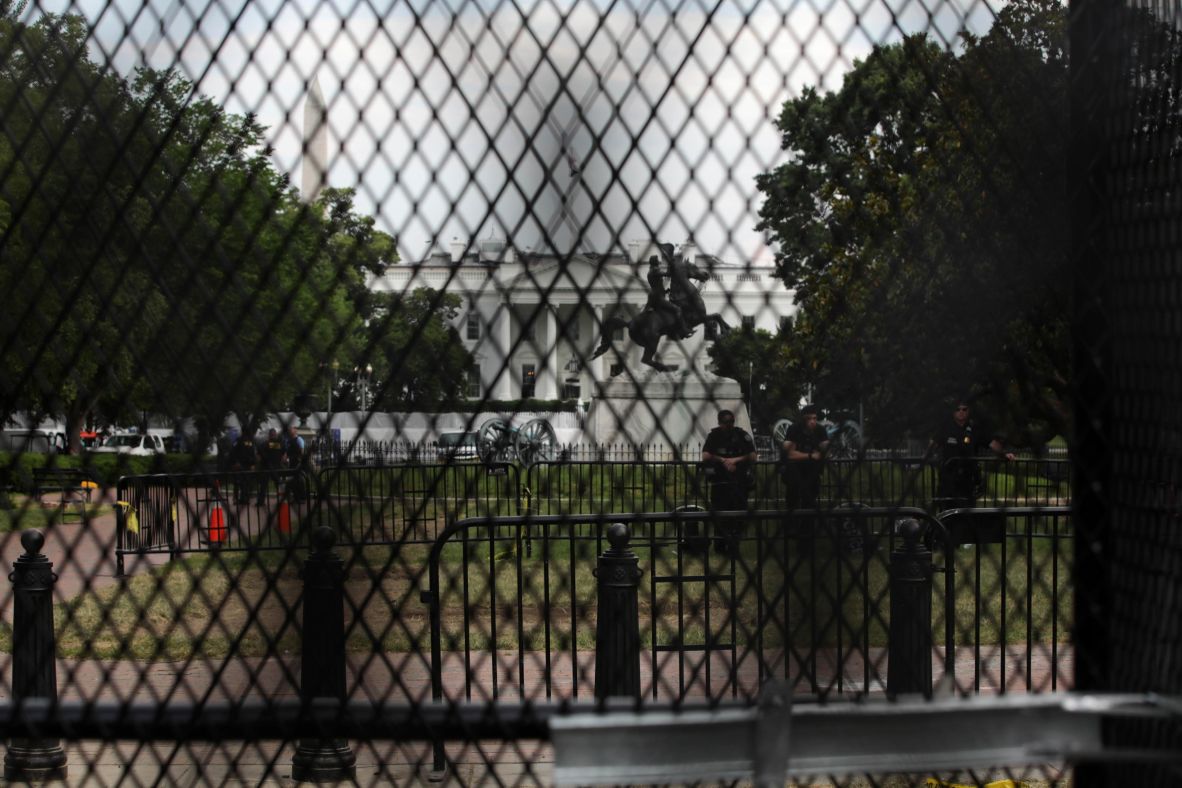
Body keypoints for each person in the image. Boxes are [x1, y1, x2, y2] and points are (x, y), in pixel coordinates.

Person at [930, 398, 1015, 507]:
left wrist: (1004, 453)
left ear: (968, 411)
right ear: (953, 412)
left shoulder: (975, 429)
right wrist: (927, 456)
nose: (961, 412)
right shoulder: (945, 428)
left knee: (967, 509)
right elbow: (933, 443)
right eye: (958, 409)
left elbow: (991, 443)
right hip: (949, 477)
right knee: (947, 509)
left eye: (964, 409)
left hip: (967, 478)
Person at [700, 409, 757, 556]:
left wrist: (736, 460)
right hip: (720, 482)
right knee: (720, 514)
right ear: (720, 423)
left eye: (731, 421)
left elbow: (752, 455)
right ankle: (720, 544)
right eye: (726, 422)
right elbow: (706, 455)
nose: (729, 425)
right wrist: (723, 460)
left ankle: (734, 545)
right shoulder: (714, 436)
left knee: (738, 514)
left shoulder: (741, 435)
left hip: (739, 481)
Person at [781, 404, 829, 512]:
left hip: (812, 474)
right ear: (803, 420)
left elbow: (826, 450)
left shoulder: (820, 430)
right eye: (809, 418)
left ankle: (807, 527)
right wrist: (811, 456)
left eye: (815, 418)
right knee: (792, 503)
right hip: (794, 473)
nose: (812, 421)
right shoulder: (794, 429)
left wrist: (824, 450)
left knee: (810, 505)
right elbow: (789, 453)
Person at [644, 256, 693, 340]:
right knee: (678, 310)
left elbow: (658, 285)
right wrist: (671, 266)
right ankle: (684, 330)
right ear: (655, 263)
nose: (659, 263)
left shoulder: (651, 271)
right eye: (658, 262)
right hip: (658, 298)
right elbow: (668, 274)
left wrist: (666, 291)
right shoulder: (654, 271)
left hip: (656, 295)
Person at [228, 432, 258, 504]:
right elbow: (232, 452)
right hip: (241, 464)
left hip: (245, 464)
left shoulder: (248, 441)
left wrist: (253, 464)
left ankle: (244, 499)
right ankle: (237, 499)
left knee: (243, 483)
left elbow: (253, 453)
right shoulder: (243, 441)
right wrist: (235, 462)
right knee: (239, 482)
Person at [258, 428, 286, 505]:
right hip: (276, 466)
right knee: (279, 484)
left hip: (266, 467)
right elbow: (284, 455)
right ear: (275, 435)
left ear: (269, 435)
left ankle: (260, 502)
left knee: (263, 486)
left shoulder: (264, 444)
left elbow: (259, 456)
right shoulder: (280, 444)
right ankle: (283, 500)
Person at [285, 425, 308, 502]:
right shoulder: (288, 440)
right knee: (292, 481)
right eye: (289, 429)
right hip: (291, 463)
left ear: (295, 430)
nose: (290, 430)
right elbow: (286, 452)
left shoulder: (299, 439)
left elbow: (302, 451)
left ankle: (302, 497)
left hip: (297, 463)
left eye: (291, 429)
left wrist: (300, 461)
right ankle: (296, 497)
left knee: (299, 481)